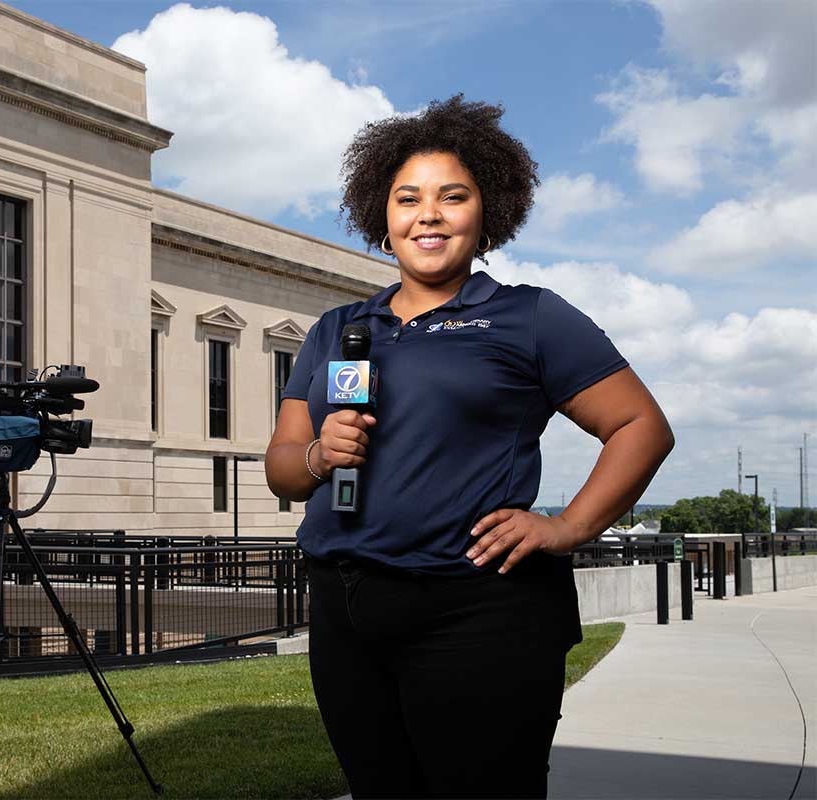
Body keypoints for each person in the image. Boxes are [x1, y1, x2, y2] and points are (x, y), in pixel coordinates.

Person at [265, 95, 674, 799]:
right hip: (347, 611)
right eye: (408, 198)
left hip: (479, 614)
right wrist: (316, 457)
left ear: (488, 211)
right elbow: (283, 466)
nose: (428, 214)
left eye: (452, 197)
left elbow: (641, 427)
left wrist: (568, 526)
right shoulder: (339, 329)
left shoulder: (530, 317)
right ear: (381, 213)